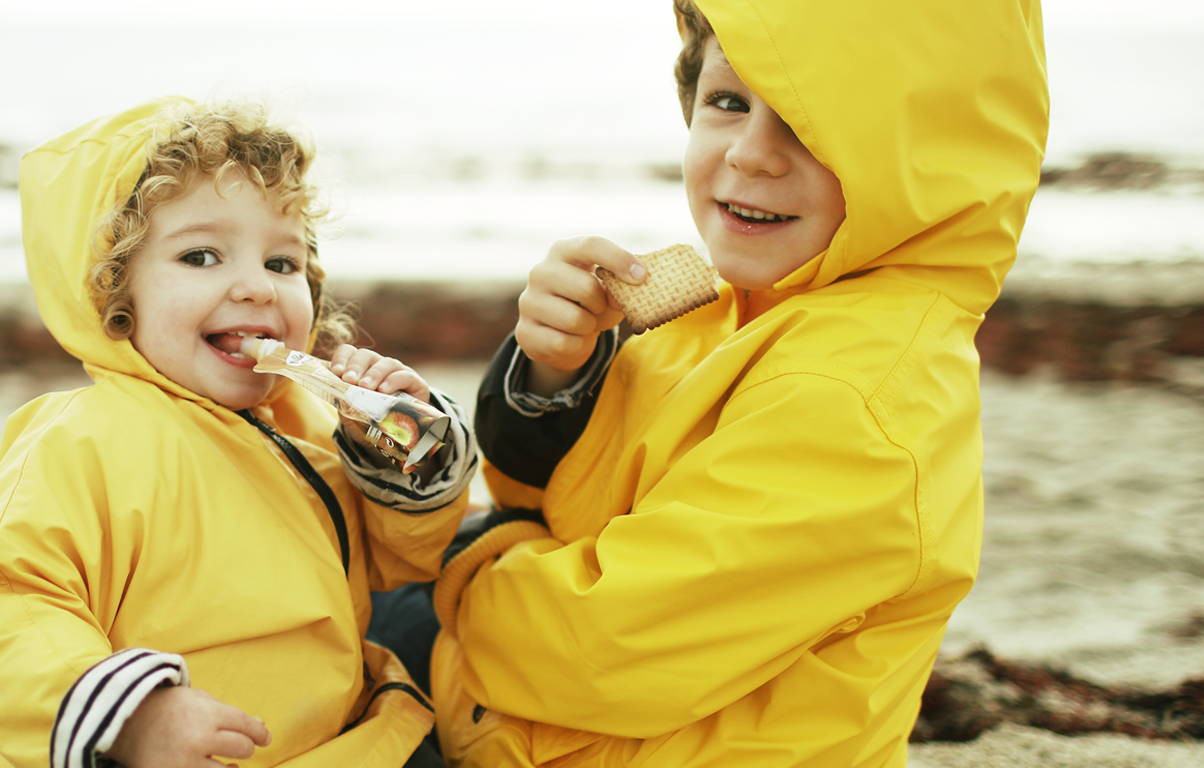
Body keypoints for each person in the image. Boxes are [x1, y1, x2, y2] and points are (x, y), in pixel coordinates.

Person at [423, 0, 1049, 765]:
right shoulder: (719, 305)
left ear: (926, 156)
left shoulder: (856, 398)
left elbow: (606, 652)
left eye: (811, 125)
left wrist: (458, 557)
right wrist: (558, 370)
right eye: (728, 101)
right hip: (518, 713)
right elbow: (549, 494)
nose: (753, 154)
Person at [0, 97, 477, 768]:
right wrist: (131, 718)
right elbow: (3, 605)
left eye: (282, 264)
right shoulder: (83, 442)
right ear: (114, 298)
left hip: (339, 741)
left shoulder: (304, 422)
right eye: (200, 256)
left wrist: (399, 457)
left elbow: (400, 565)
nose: (255, 287)